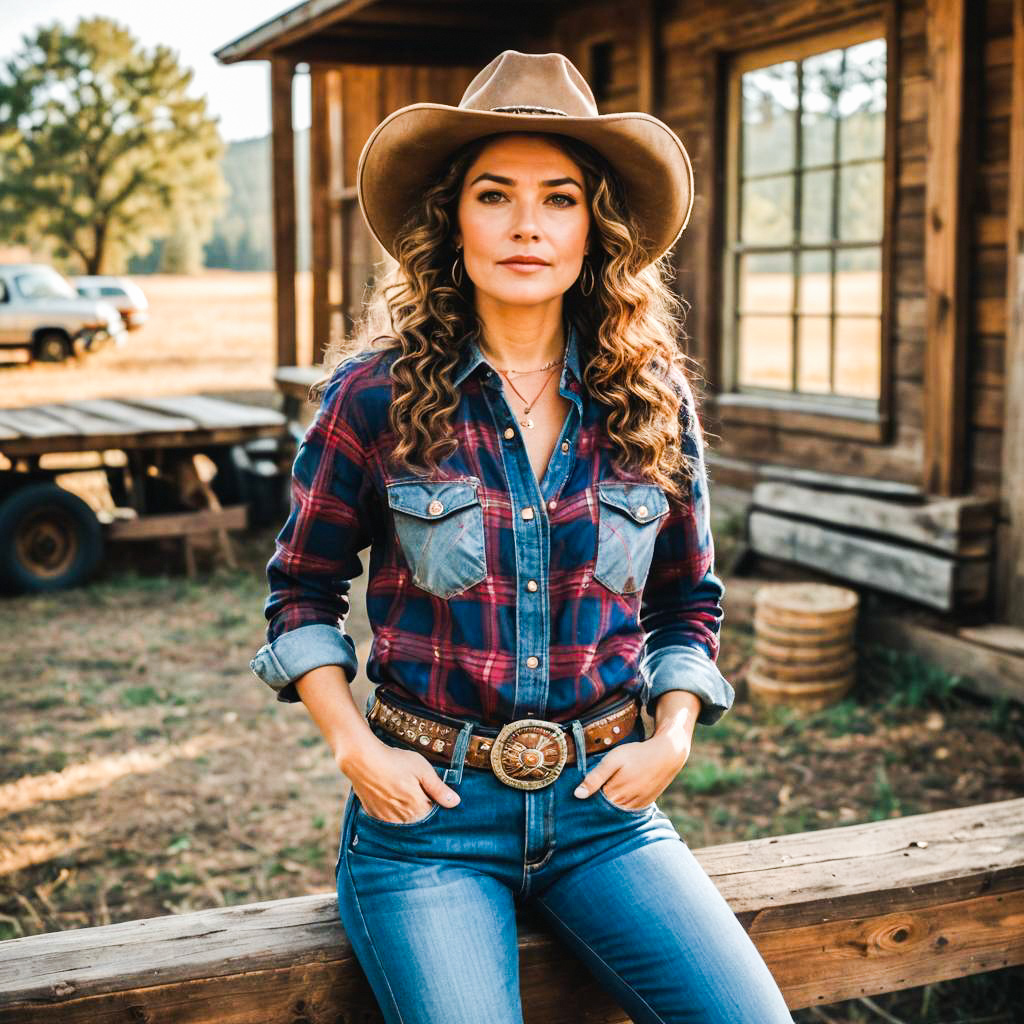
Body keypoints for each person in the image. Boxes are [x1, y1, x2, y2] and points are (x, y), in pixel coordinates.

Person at [251, 49, 794, 1024]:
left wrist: (671, 734)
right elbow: (299, 590)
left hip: (604, 814)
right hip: (429, 825)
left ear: (596, 227)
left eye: (559, 198)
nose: (526, 225)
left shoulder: (649, 397)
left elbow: (685, 601)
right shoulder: (372, 395)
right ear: (452, 223)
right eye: (495, 196)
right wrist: (352, 747)